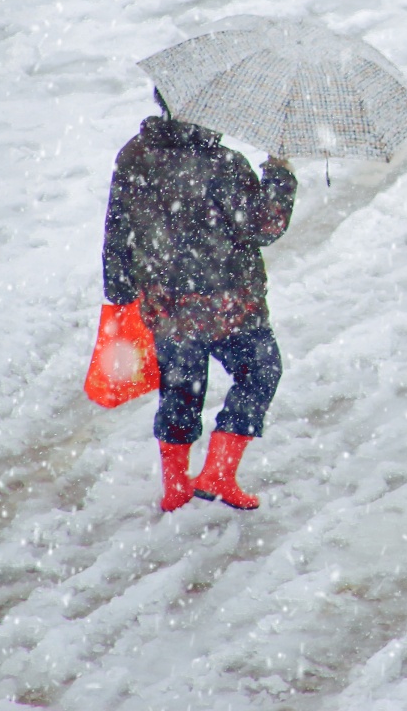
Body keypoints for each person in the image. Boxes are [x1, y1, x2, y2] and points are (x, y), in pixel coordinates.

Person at [103, 89, 297, 512]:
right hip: (228, 306)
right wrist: (279, 173)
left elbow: (117, 226)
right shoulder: (223, 165)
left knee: (179, 391)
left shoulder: (135, 154)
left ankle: (176, 487)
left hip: (167, 307)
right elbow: (264, 226)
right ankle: (219, 473)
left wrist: (118, 292)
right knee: (261, 371)